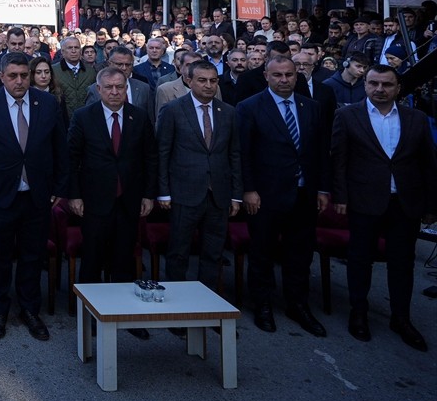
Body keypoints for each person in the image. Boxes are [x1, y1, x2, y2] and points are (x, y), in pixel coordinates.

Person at [332, 65, 437, 352]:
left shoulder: (416, 119)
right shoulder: (347, 115)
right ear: (364, 85)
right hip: (364, 202)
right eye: (374, 84)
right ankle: (359, 312)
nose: (380, 90)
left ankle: (401, 318)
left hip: (405, 203)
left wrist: (431, 205)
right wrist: (340, 197)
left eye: (387, 84)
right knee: (360, 260)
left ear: (398, 87)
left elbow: (429, 164)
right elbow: (338, 161)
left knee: (402, 264)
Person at [0, 52, 67, 341]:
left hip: (37, 196)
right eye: (13, 76)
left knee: (32, 256)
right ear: (2, 77)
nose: (20, 81)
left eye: (24, 75)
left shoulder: (47, 102)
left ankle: (29, 309)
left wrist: (59, 187)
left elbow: (60, 147)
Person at [237, 56, 329, 337]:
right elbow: (244, 153)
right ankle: (262, 304)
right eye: (277, 75)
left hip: (304, 194)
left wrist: (322, 188)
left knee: (300, 253)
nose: (284, 80)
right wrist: (249, 190)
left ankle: (297, 304)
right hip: (265, 195)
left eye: (289, 74)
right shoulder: (250, 107)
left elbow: (320, 152)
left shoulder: (311, 107)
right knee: (262, 252)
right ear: (266, 76)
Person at [67, 66, 157, 339]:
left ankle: (126, 316)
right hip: (95, 201)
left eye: (120, 87)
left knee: (124, 260)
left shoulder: (139, 117)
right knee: (92, 259)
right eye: (109, 87)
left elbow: (150, 158)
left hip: (129, 200)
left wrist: (148, 194)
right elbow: (71, 159)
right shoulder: (84, 117)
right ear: (98, 89)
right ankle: (89, 315)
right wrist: (74, 195)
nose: (115, 92)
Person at [156, 61, 242, 290]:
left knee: (213, 254)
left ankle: (208, 308)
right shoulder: (173, 110)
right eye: (202, 80)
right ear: (189, 81)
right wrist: (163, 192)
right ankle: (178, 310)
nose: (209, 86)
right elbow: (163, 152)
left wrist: (236, 195)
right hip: (184, 194)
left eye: (213, 81)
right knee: (178, 253)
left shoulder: (228, 113)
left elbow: (234, 155)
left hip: (218, 195)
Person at [52, 36, 93, 114]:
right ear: (62, 51)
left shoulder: (91, 71)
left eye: (76, 47)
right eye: (70, 48)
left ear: (80, 51)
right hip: (63, 119)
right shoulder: (53, 71)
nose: (73, 51)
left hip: (86, 119)